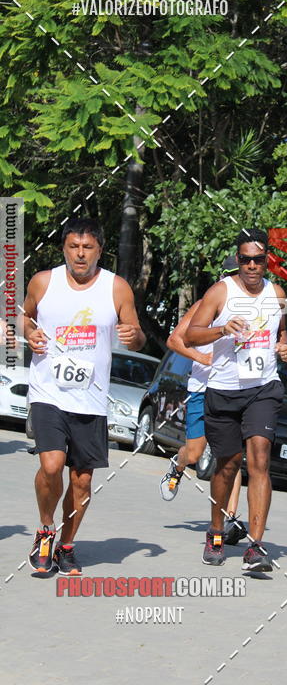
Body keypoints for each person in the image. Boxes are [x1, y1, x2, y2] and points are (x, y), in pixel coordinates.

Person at [24, 217, 145, 576]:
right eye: (73, 247)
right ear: (63, 248)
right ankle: (46, 530)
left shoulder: (117, 288)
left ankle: (67, 545)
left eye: (87, 247)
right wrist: (29, 332)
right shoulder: (44, 282)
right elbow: (23, 318)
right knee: (51, 465)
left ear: (99, 250)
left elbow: (138, 337)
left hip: (90, 398)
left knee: (82, 481)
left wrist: (132, 334)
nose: (80, 254)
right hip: (48, 391)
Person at [185, 228, 287, 572]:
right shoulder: (221, 291)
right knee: (228, 464)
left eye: (257, 260)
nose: (250, 266)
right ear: (238, 259)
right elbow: (190, 334)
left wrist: (286, 348)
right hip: (224, 389)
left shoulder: (277, 293)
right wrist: (221, 329)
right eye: (244, 259)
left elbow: (282, 334)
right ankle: (216, 530)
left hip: (263, 387)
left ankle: (256, 546)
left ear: (267, 261)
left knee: (259, 457)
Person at [159, 256, 247, 546]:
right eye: (232, 275)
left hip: (233, 390)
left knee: (231, 456)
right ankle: (178, 464)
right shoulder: (206, 305)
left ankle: (229, 517)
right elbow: (175, 340)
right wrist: (203, 358)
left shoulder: (254, 309)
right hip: (202, 388)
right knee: (195, 454)